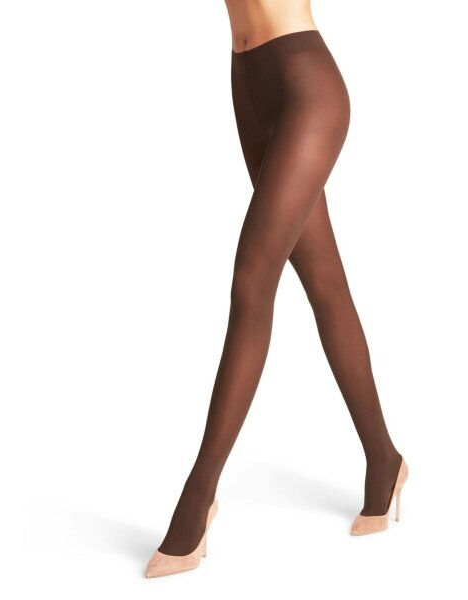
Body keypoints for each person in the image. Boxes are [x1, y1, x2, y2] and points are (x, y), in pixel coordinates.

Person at [145, 0, 408, 578]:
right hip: (248, 82)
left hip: (306, 85)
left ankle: (197, 499)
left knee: (251, 280)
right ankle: (384, 459)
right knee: (324, 281)